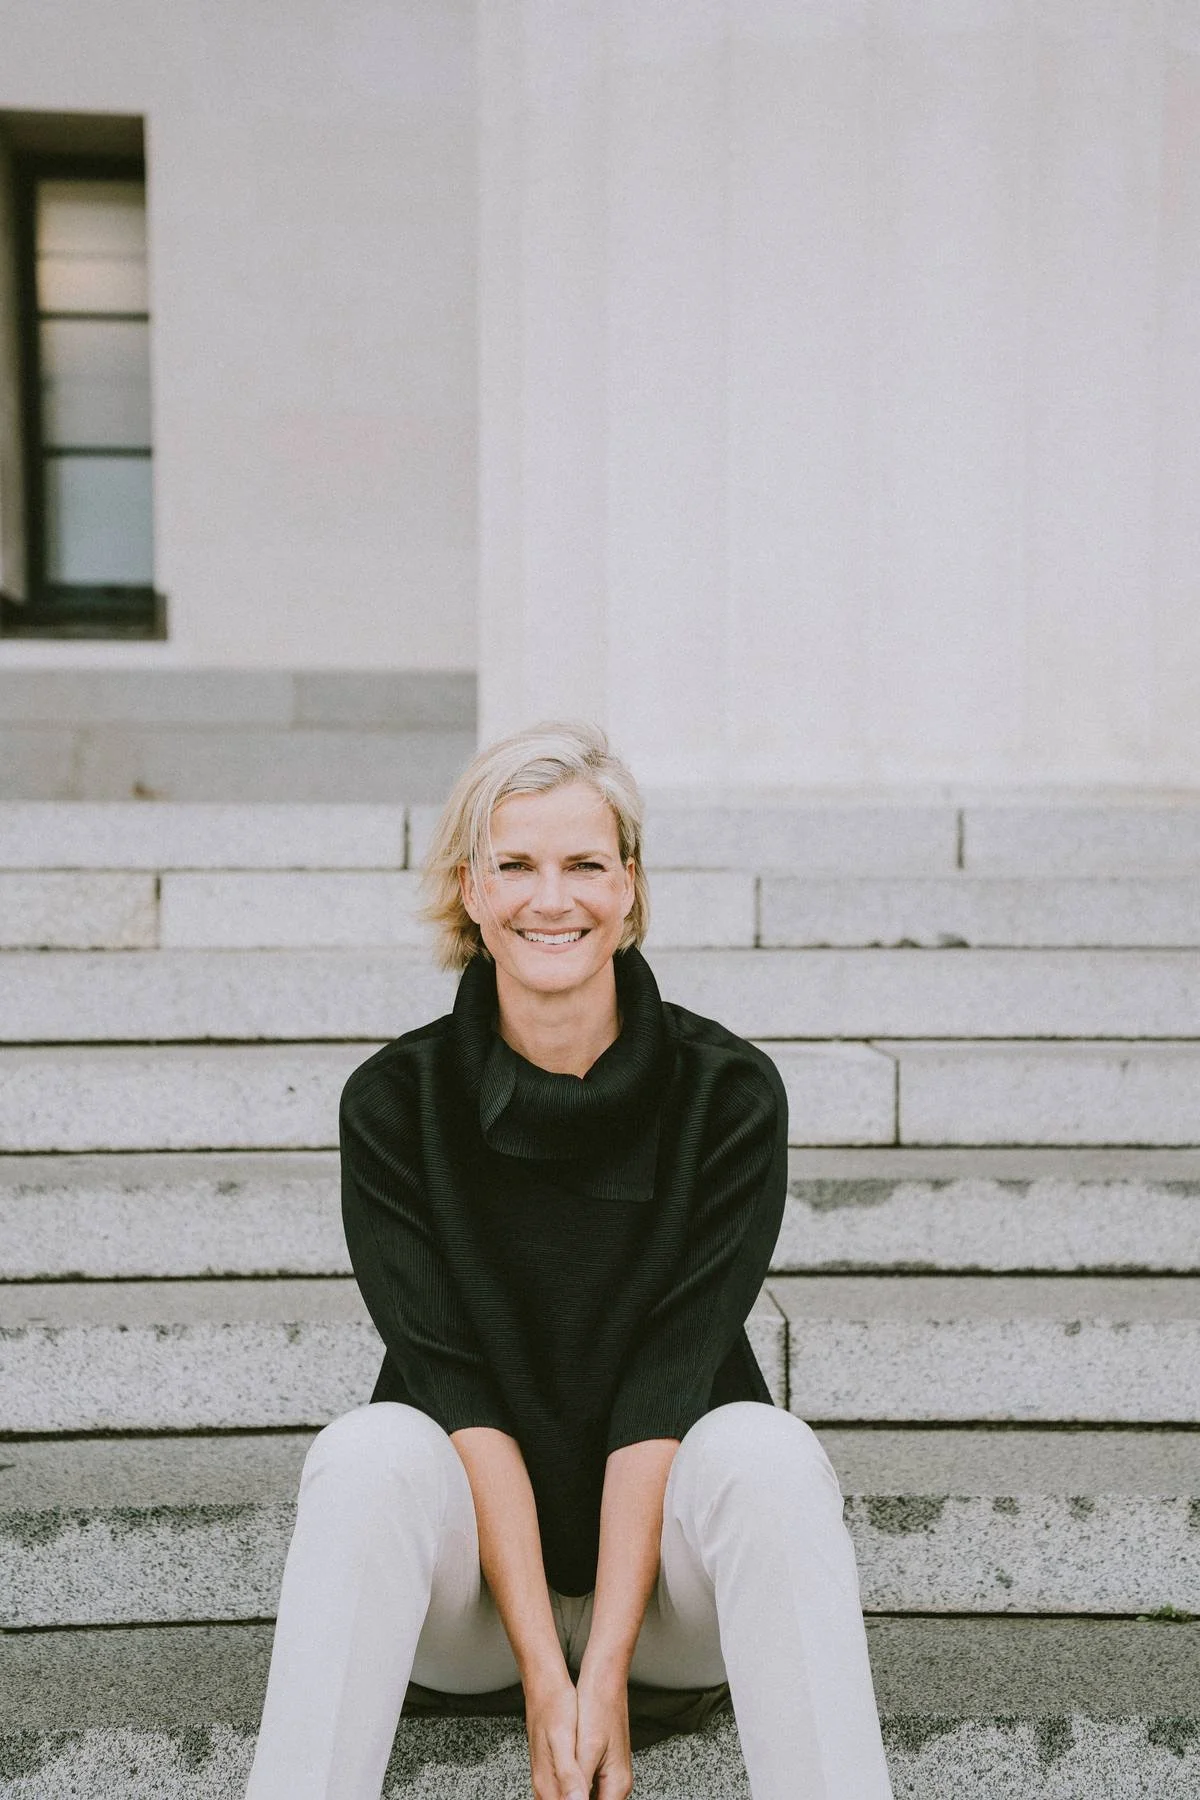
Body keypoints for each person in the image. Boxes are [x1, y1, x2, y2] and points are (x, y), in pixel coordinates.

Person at [245, 721, 893, 1800]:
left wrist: (609, 1677)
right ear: (472, 891)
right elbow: (457, 1390)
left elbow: (666, 1387)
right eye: (518, 866)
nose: (555, 899)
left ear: (630, 889)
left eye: (586, 864)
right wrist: (551, 1678)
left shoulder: (726, 1095)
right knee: (365, 1455)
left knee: (769, 1454)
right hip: (477, 1611)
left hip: (676, 1609)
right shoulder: (394, 1105)